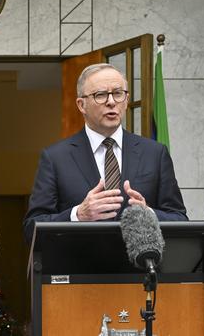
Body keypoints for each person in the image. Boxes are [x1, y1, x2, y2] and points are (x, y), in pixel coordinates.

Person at [23, 63, 187, 243]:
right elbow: (32, 228)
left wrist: (148, 213)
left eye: (118, 93)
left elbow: (179, 219)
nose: (111, 101)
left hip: (139, 267)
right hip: (81, 267)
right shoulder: (55, 158)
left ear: (126, 100)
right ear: (81, 105)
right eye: (100, 95)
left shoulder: (154, 153)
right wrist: (78, 215)